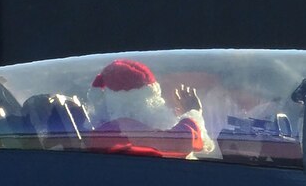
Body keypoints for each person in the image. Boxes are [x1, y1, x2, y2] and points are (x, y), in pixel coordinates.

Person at [82, 58, 213, 158]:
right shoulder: (120, 128)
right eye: (152, 101)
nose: (159, 107)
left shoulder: (108, 128)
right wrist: (194, 114)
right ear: (136, 104)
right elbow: (175, 145)